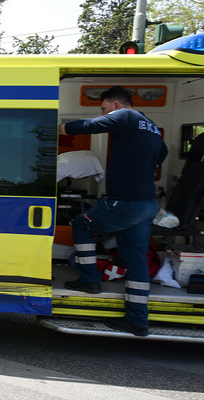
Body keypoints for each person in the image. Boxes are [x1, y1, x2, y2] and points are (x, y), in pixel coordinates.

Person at [58, 86, 168, 337]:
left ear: (116, 104)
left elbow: (91, 125)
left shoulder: (126, 115)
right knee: (137, 262)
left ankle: (89, 279)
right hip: (146, 203)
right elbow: (163, 153)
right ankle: (137, 320)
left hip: (125, 202)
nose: (103, 113)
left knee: (81, 224)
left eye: (104, 108)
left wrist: (61, 129)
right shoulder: (151, 126)